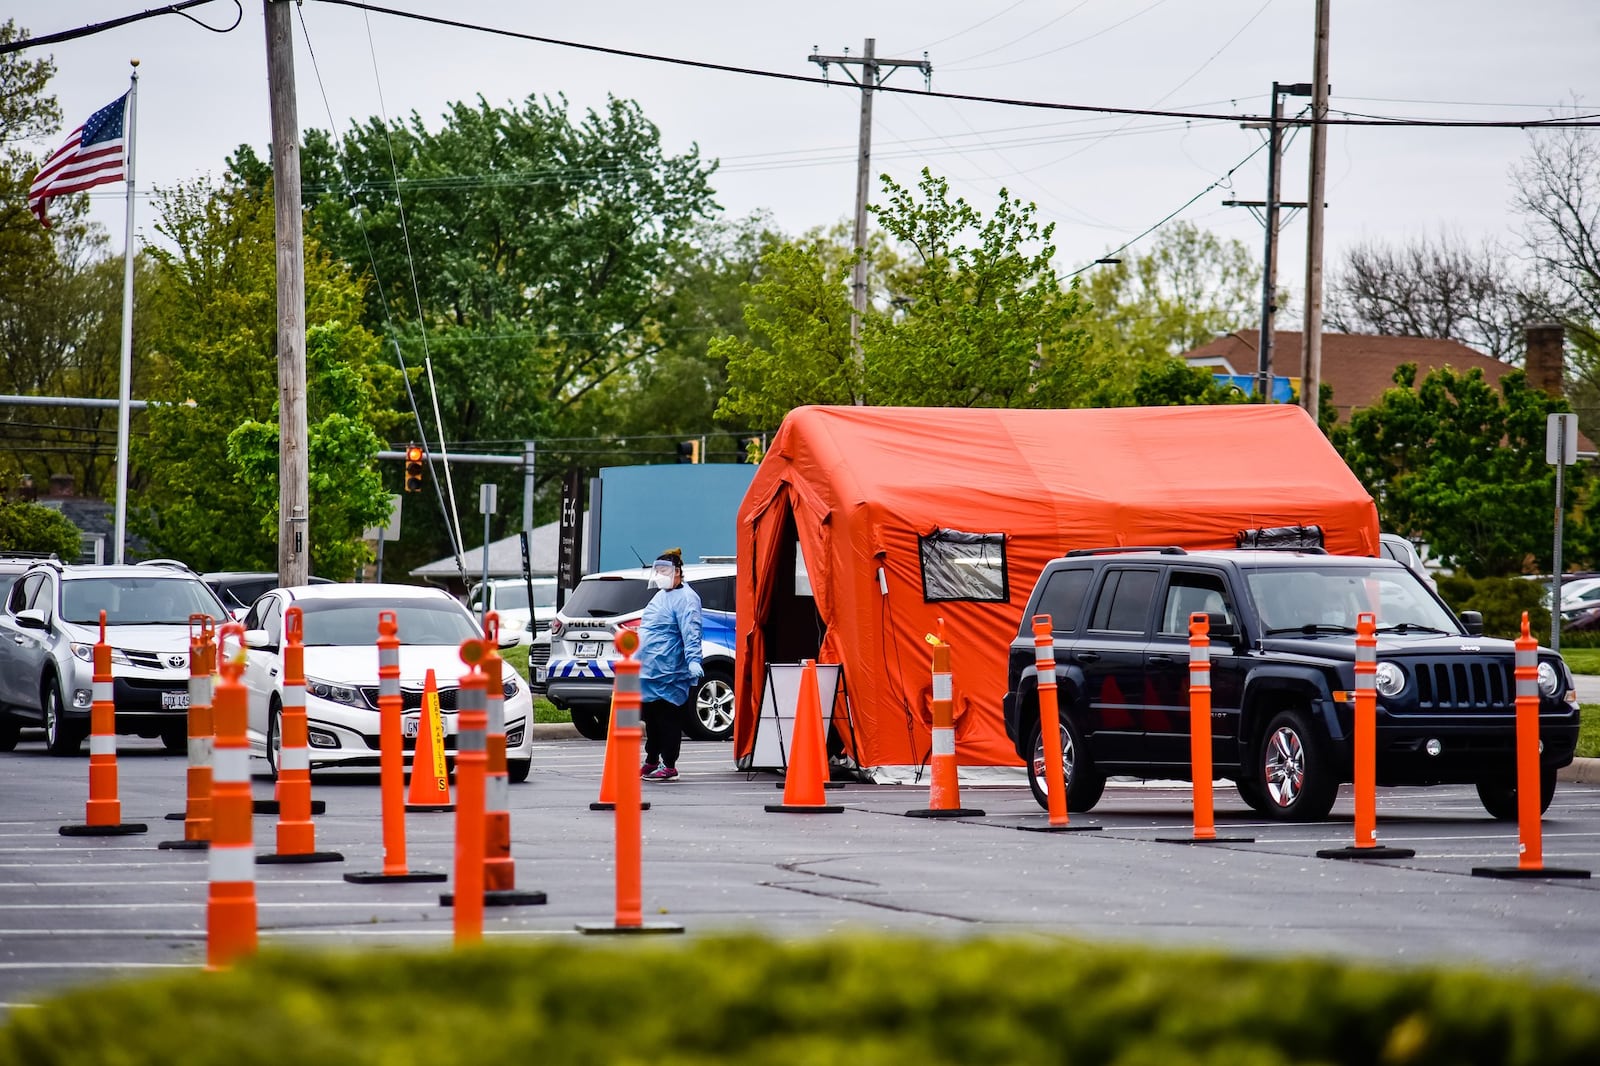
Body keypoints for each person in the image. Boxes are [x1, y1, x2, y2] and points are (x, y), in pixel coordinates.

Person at [638, 548, 703, 781]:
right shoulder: (661, 595)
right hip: (651, 669)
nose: (660, 575)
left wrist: (694, 660)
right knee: (652, 718)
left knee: (668, 719)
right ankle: (652, 759)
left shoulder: (687, 598)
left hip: (670, 670)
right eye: (658, 571)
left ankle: (669, 764)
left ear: (677, 572)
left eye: (664, 570)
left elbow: (691, 631)